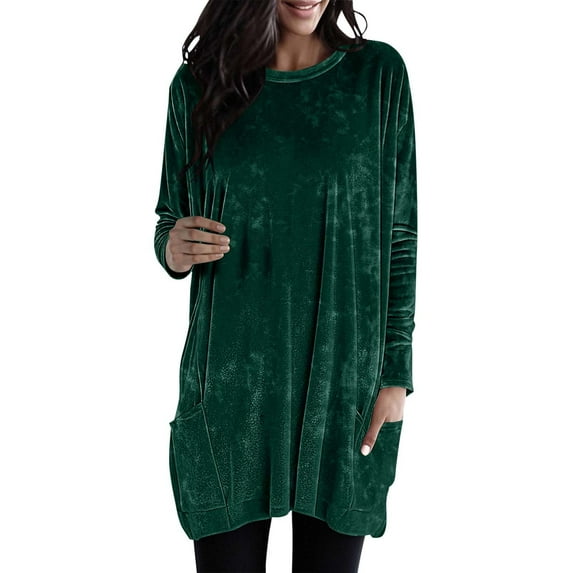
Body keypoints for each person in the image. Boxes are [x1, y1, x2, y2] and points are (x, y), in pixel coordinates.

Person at [153, 0, 417, 571]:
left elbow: (399, 235)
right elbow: (169, 218)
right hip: (230, 388)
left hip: (342, 389)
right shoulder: (198, 86)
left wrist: (395, 376)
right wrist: (171, 247)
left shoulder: (377, 77)